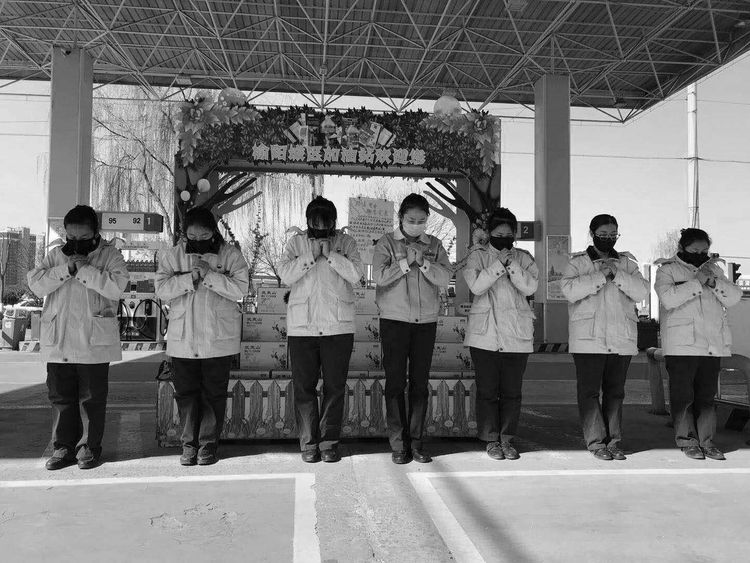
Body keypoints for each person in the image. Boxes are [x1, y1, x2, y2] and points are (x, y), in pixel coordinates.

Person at [28, 205, 129, 470]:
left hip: (93, 341)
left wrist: (84, 270)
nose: (76, 243)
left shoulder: (110, 255)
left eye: (83, 237)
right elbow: (36, 284)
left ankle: (88, 448)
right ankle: (62, 447)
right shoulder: (55, 255)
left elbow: (117, 287)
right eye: (71, 237)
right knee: (60, 397)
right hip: (59, 339)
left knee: (91, 399)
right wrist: (66, 269)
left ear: (95, 233)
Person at [155, 207, 249, 466]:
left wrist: (210, 275)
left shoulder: (230, 255)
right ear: (184, 233)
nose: (198, 240)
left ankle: (208, 445)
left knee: (213, 395)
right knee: (186, 394)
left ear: (213, 232)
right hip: (183, 338)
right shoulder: (173, 256)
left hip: (218, 339)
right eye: (192, 236)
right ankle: (188, 445)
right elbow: (161, 289)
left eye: (204, 235)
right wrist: (189, 278)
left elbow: (241, 289)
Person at [278, 196, 363, 463]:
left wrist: (331, 256)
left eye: (326, 225)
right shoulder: (296, 243)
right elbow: (285, 275)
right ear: (308, 222)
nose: (321, 230)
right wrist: (310, 256)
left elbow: (356, 274)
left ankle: (329, 443)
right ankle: (308, 443)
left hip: (338, 327)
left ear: (334, 222)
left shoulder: (346, 242)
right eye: (316, 225)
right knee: (304, 388)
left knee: (335, 388)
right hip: (302, 328)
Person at [561, 214, 648, 461]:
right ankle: (596, 442)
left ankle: (614, 441)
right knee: (589, 393)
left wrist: (617, 274)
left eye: (613, 235)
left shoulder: (627, 263)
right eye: (603, 234)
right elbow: (569, 290)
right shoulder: (578, 263)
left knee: (615, 392)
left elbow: (641, 291)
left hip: (621, 338)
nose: (608, 239)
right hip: (588, 339)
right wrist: (601, 276)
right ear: (592, 234)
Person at [373, 193, 452, 464]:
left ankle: (417, 442)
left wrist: (425, 263)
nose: (416, 225)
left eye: (421, 220)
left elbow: (446, 276)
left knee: (419, 384)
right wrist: (406, 263)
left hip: (425, 322)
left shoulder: (435, 244)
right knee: (395, 383)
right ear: (401, 218)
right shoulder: (386, 242)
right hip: (394, 321)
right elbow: (379, 277)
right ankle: (398, 444)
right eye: (411, 220)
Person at [655, 228, 742, 460]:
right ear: (682, 247)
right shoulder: (667, 270)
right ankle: (687, 441)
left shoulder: (714, 269)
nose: (700, 254)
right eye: (694, 250)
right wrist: (696, 283)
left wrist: (712, 282)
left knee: (706, 397)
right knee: (683, 396)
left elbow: (734, 297)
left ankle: (707, 441)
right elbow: (668, 298)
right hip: (681, 345)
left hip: (711, 343)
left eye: (704, 251)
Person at [463, 208, 538, 460]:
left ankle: (507, 439)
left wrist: (512, 265)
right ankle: (490, 439)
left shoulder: (524, 258)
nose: (504, 239)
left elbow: (530, 286)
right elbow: (476, 286)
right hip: (485, 335)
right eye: (499, 234)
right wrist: (498, 265)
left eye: (508, 235)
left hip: (517, 336)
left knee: (511, 392)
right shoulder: (477, 256)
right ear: (490, 233)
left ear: (514, 234)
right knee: (487, 391)